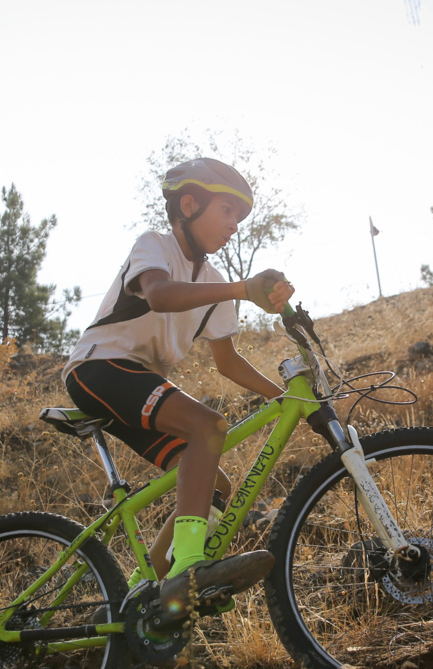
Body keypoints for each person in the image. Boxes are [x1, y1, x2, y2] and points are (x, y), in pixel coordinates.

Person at [62, 157, 294, 619]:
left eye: (239, 217)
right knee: (208, 427)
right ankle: (189, 562)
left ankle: (138, 595)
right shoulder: (155, 245)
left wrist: (283, 396)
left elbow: (227, 362)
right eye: (226, 211)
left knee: (215, 489)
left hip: (137, 380)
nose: (234, 225)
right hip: (99, 368)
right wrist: (240, 289)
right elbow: (160, 295)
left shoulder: (212, 283)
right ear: (188, 204)